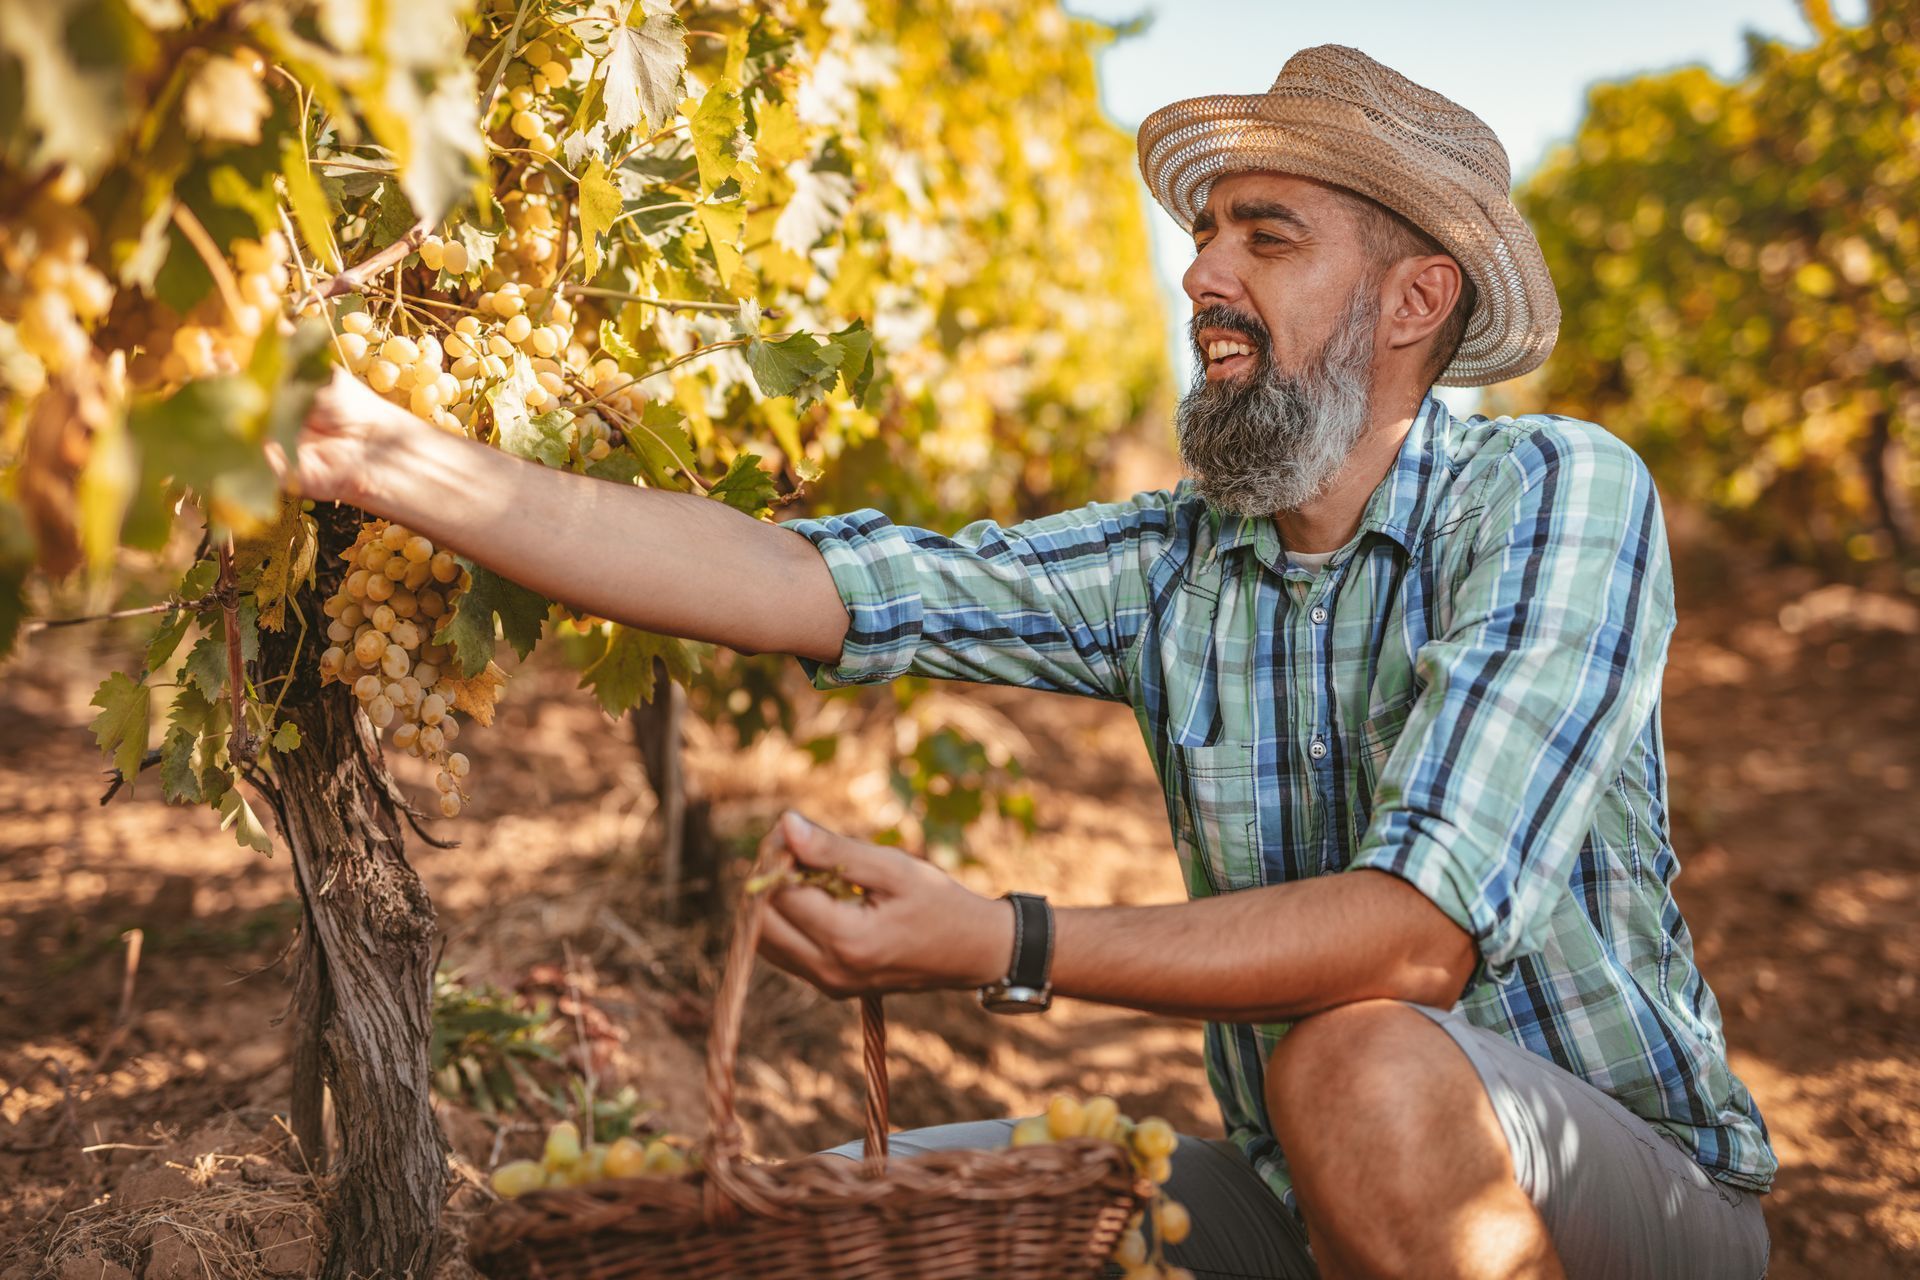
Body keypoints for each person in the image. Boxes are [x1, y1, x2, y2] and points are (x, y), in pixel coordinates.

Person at [293, 44, 1773, 1280]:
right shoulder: (1180, 563)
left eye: (1267, 236)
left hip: (1617, 1199)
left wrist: (1007, 940)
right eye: (1204, 234)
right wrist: (390, 456)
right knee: (832, 1219)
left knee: (1360, 1062)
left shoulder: (1556, 495)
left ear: (1413, 302)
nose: (1201, 271)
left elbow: (1418, 940)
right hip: (1305, 1193)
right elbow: (805, 581)